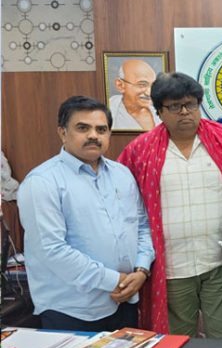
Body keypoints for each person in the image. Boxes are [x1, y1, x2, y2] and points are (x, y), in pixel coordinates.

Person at [118, 72, 222, 337]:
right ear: (159, 111)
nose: (185, 112)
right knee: (175, 342)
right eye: (174, 106)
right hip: (171, 268)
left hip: (219, 263)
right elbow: (125, 208)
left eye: (191, 104)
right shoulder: (139, 151)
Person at [17, 96, 154, 331]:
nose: (93, 135)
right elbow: (52, 250)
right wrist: (115, 280)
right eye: (83, 128)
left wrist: (141, 270)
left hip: (125, 301)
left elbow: (141, 225)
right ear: (62, 133)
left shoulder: (122, 174)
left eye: (101, 129)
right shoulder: (41, 182)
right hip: (71, 309)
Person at [110, 59, 160, 131]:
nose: (149, 93)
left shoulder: (160, 112)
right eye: (142, 84)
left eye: (153, 86)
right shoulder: (111, 108)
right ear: (120, 85)